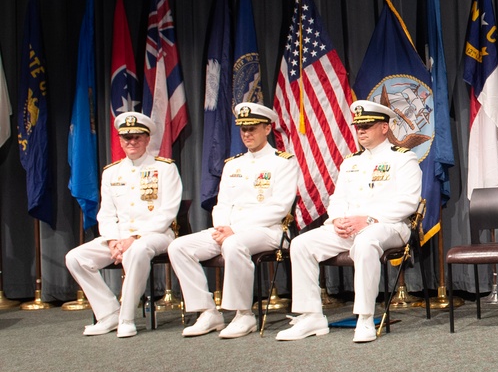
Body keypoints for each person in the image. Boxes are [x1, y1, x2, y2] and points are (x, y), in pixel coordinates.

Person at [276, 100, 421, 343]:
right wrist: (336, 220)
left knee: (366, 242)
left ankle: (365, 318)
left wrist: (369, 219)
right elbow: (338, 198)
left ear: (384, 128)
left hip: (390, 226)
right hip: (349, 227)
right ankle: (311, 316)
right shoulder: (351, 162)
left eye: (368, 125)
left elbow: (408, 202)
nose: (361, 131)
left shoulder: (403, 159)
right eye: (358, 126)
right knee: (301, 244)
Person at [167, 102, 297, 339]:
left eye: (253, 128)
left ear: (267, 129)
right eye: (243, 129)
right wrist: (222, 227)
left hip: (269, 231)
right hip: (229, 230)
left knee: (234, 244)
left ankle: (243, 314)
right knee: (178, 247)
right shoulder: (233, 164)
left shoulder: (283, 161)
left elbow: (279, 207)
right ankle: (207, 312)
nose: (247, 134)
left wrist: (234, 230)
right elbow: (222, 203)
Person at [65, 113, 182, 338]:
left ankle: (127, 318)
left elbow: (168, 213)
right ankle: (108, 313)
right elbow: (106, 213)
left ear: (147, 140)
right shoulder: (111, 172)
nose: (131, 142)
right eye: (126, 138)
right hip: (118, 237)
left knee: (136, 250)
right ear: (120, 140)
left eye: (137, 137)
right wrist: (111, 240)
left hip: (156, 234)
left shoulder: (165, 169)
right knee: (75, 257)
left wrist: (134, 238)